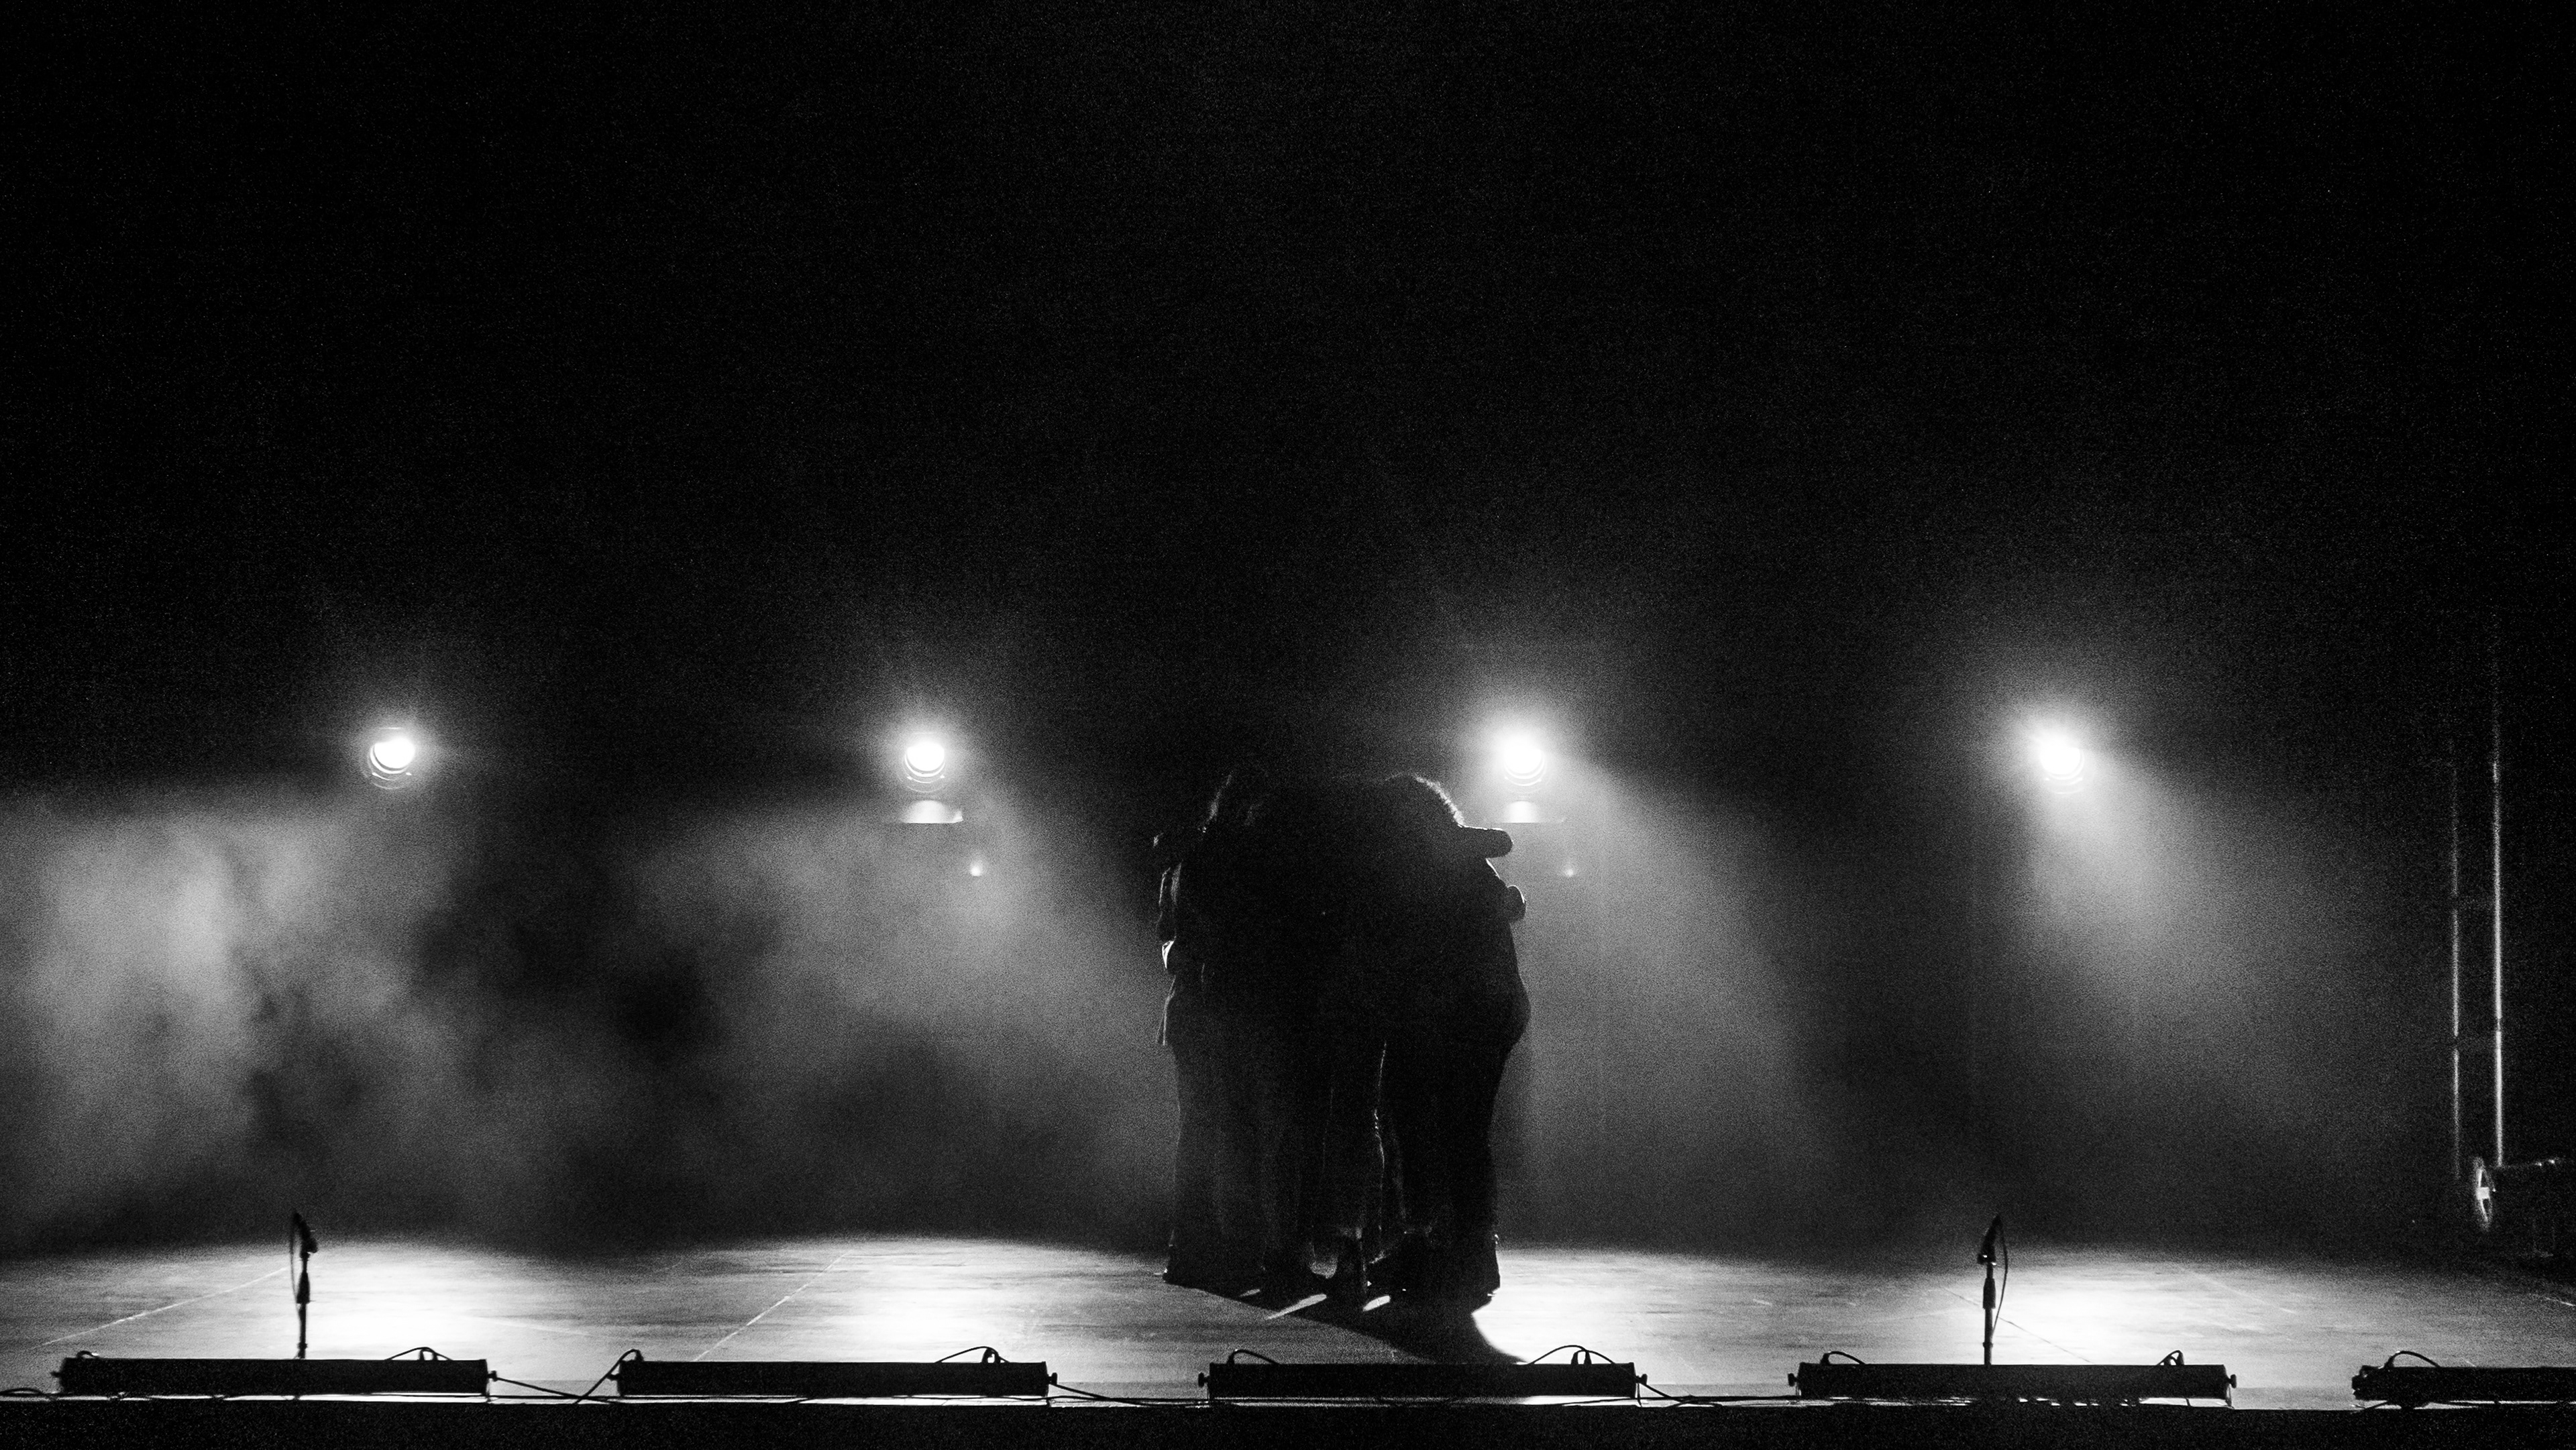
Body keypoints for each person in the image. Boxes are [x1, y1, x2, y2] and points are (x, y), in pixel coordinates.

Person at [1360, 773, 1528, 1310]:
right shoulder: (1471, 863)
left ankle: (1423, 1244)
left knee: (1414, 1120)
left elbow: (1408, 948)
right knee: (1464, 1131)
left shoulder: (1416, 867)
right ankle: (1471, 1252)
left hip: (1452, 1011)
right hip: (1490, 1009)